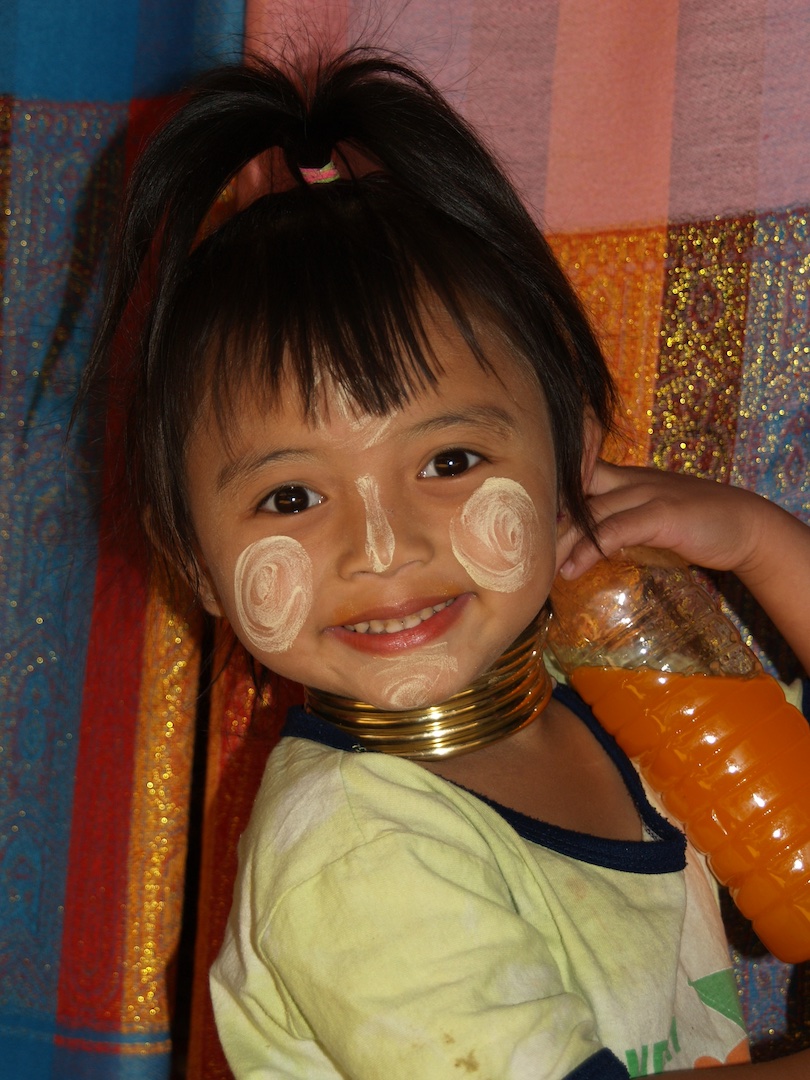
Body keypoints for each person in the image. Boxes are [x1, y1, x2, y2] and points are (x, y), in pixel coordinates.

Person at [83, 46, 810, 1078]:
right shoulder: (354, 852)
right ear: (197, 565)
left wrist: (759, 541)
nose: (385, 545)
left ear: (570, 456)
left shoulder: (594, 676)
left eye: (449, 460)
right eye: (292, 496)